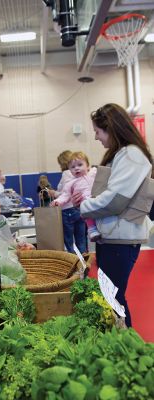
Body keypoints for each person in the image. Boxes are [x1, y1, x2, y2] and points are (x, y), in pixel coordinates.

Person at [77, 103, 153, 327]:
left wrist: (84, 207)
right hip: (112, 238)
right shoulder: (123, 154)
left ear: (111, 128)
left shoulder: (131, 155)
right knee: (110, 298)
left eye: (98, 132)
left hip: (121, 241)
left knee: (114, 299)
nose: (97, 138)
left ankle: (127, 347)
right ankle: (121, 344)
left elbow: (116, 199)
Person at [51, 151, 99, 253]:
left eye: (80, 165)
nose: (76, 168)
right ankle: (92, 230)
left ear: (87, 166)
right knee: (85, 221)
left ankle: (84, 254)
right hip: (83, 206)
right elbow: (65, 195)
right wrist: (57, 202)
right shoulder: (71, 183)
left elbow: (103, 174)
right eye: (73, 167)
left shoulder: (92, 173)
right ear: (70, 170)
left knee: (76, 236)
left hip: (95, 202)